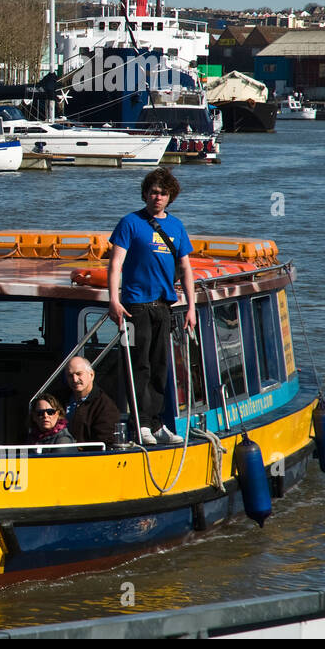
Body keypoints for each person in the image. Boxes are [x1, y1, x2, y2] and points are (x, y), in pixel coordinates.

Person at [108, 168, 193, 446]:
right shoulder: (130, 223)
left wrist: (191, 306)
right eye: (153, 192)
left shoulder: (177, 227)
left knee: (159, 368)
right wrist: (114, 300)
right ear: (145, 194)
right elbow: (116, 263)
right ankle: (140, 424)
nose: (157, 197)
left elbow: (185, 268)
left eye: (163, 193)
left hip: (163, 306)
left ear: (170, 197)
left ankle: (156, 424)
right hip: (136, 306)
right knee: (139, 366)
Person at [63, 356, 120, 449]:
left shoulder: (105, 406)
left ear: (91, 375)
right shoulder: (59, 398)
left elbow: (105, 442)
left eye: (78, 374)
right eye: (70, 375)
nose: (74, 379)